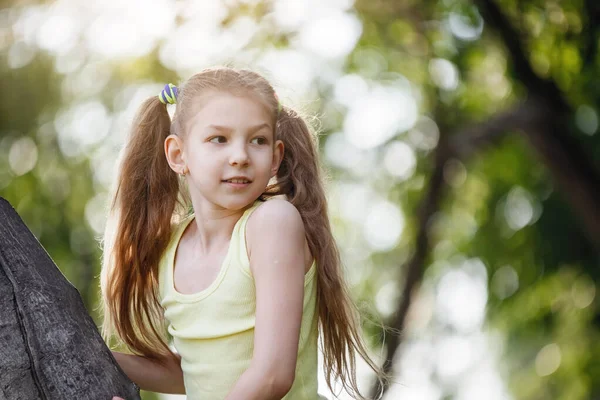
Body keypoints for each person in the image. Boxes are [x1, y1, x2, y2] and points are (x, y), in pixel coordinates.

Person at [100, 67, 386, 400]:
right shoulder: (169, 248)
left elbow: (272, 377)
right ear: (179, 155)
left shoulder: (272, 224)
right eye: (218, 139)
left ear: (276, 157)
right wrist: (89, 354)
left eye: (258, 140)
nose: (240, 157)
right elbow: (192, 373)